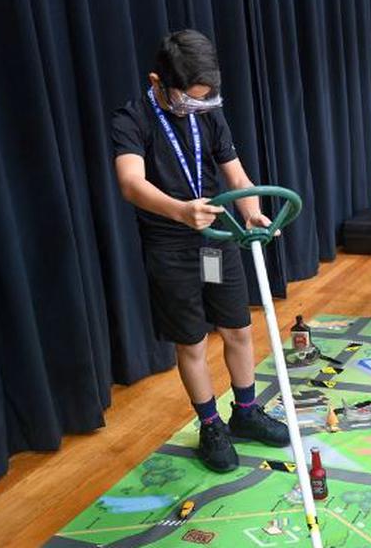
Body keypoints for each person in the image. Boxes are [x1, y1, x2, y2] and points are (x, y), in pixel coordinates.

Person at [111, 30, 289, 474]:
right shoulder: (132, 120)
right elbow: (131, 183)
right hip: (171, 251)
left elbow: (237, 176)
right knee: (191, 341)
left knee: (236, 328)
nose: (198, 107)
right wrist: (179, 211)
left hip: (215, 245)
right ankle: (211, 425)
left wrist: (252, 213)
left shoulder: (208, 113)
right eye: (189, 99)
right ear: (157, 81)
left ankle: (245, 412)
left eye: (205, 99)